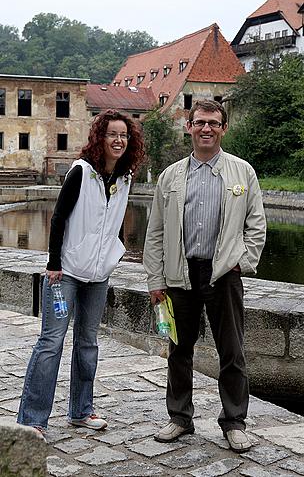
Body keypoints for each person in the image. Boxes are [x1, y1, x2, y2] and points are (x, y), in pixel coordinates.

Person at [143, 99, 266, 453]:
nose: (206, 129)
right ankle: (179, 417)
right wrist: (156, 280)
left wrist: (242, 262)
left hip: (224, 273)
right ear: (189, 127)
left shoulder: (243, 172)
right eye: (199, 123)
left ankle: (234, 422)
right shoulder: (170, 176)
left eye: (213, 123)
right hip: (181, 273)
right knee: (179, 349)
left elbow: (256, 224)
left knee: (232, 350)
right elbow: (155, 233)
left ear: (223, 128)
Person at [17, 109, 145, 436]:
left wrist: (110, 257)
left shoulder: (125, 178)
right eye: (111, 134)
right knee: (51, 342)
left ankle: (81, 411)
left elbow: (110, 225)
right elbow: (58, 218)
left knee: (87, 343)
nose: (118, 140)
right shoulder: (81, 172)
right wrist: (54, 264)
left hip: (98, 276)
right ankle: (32, 420)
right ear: (99, 138)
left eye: (123, 135)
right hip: (66, 274)